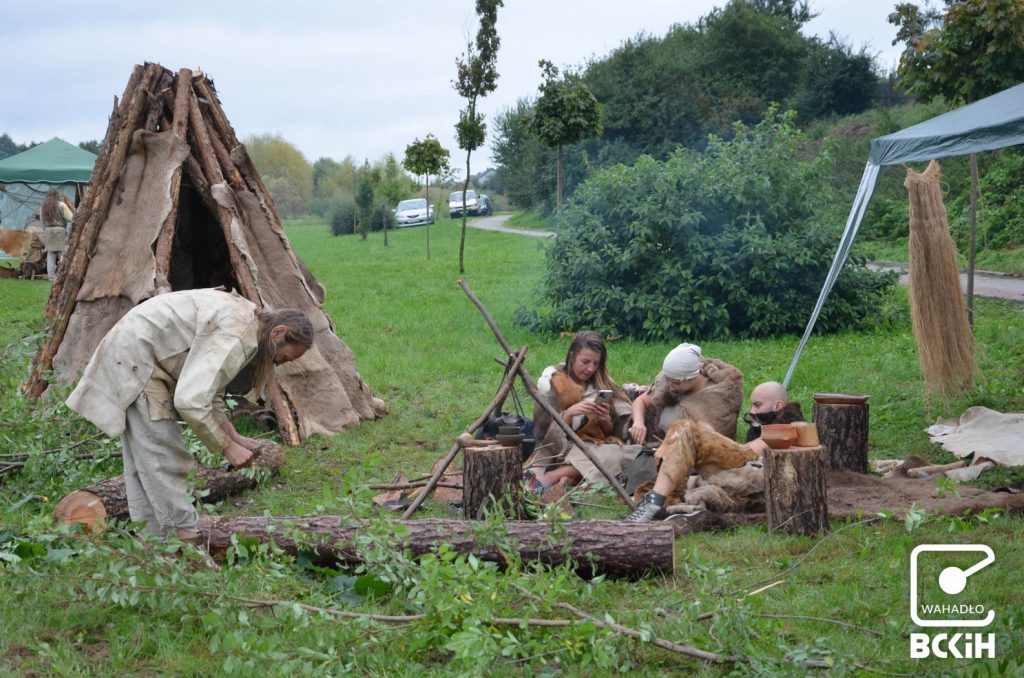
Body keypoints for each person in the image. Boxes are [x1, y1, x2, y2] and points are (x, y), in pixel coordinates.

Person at [65, 288, 314, 545]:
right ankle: (185, 539)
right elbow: (191, 401)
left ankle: (154, 541)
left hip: (136, 352)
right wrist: (227, 448)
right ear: (279, 332)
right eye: (281, 358)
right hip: (138, 359)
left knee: (144, 461)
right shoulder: (239, 334)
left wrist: (234, 436)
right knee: (164, 454)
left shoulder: (244, 321)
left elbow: (211, 391)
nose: (276, 364)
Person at [624, 381, 805, 523]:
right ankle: (656, 500)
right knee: (687, 431)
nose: (752, 411)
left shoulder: (789, 424)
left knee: (685, 429)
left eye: (757, 405)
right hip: (744, 463)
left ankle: (654, 502)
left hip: (750, 464)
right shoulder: (767, 422)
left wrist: (708, 441)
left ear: (778, 405)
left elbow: (750, 451)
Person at [524, 331, 642, 494]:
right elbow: (545, 435)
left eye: (595, 363)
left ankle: (561, 477)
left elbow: (608, 432)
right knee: (603, 456)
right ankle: (557, 477)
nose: (590, 369)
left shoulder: (601, 383)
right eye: (585, 362)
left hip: (597, 445)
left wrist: (604, 419)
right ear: (572, 356)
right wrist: (569, 414)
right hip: (565, 448)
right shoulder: (555, 383)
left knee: (624, 453)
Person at [628, 342, 744, 445]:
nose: (671, 388)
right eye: (668, 381)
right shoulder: (671, 384)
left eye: (675, 383)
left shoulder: (717, 397)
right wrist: (638, 422)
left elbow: (711, 444)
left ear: (691, 377)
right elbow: (641, 401)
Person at [39, 188, 74, 280]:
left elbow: (42, 221)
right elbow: (71, 218)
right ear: (57, 195)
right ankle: (63, 276)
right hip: (60, 231)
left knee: (50, 255)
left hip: (48, 231)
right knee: (62, 254)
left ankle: (51, 277)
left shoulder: (43, 206)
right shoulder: (61, 205)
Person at [19, 215, 47, 279]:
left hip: (27, 252)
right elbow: (46, 243)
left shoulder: (28, 227)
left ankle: (27, 273)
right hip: (35, 254)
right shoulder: (39, 228)